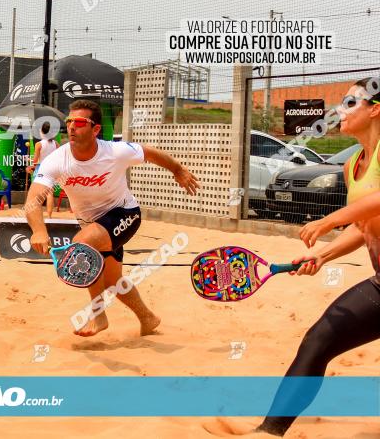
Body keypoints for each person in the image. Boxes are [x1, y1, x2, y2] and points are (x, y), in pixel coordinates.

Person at [220, 77, 380, 437]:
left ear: (375, 110)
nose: (340, 110)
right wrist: (323, 256)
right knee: (318, 340)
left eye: (351, 103)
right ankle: (270, 430)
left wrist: (330, 219)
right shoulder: (353, 163)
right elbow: (365, 226)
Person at [24, 99, 200, 337]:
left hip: (124, 214)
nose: (72, 127)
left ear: (95, 129)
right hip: (92, 224)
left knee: (81, 247)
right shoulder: (57, 159)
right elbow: (33, 200)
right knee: (112, 281)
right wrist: (39, 230)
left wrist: (178, 170)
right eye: (69, 121)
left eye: (79, 122)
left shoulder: (115, 151)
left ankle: (98, 316)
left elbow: (148, 153)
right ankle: (148, 318)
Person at [27, 122, 59, 217]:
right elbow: (58, 157)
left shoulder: (39, 144)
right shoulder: (56, 144)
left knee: (38, 193)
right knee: (50, 193)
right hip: (52, 168)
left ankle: (37, 214)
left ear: (42, 132)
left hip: (41, 168)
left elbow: (35, 160)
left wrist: (30, 162)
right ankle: (49, 216)